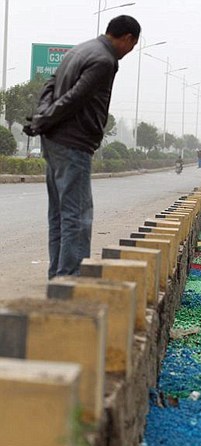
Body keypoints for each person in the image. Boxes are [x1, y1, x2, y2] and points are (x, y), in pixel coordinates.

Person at [23, 15, 141, 279]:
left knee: (59, 214)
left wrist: (42, 116)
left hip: (54, 141)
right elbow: (75, 98)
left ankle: (58, 276)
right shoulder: (104, 60)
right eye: (132, 47)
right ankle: (71, 280)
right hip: (74, 143)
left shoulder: (79, 49)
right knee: (77, 216)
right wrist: (46, 118)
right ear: (128, 39)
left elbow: (50, 86)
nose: (129, 52)